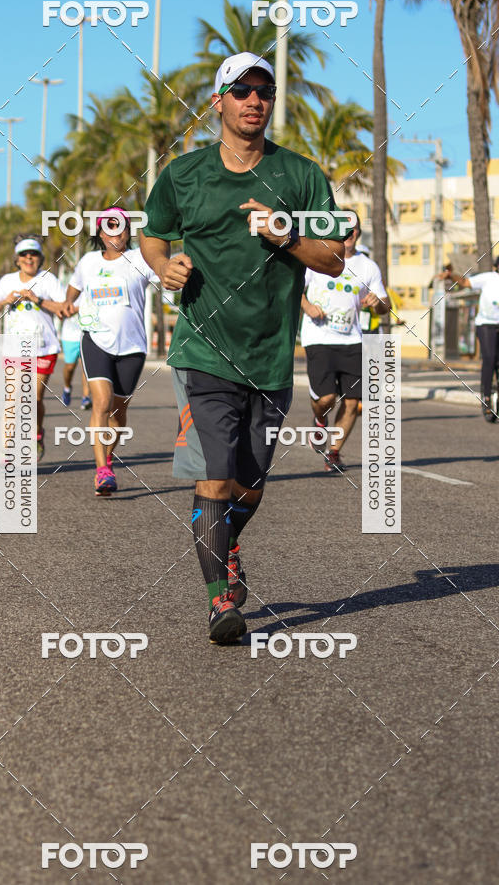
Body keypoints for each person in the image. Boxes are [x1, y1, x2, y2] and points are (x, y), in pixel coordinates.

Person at [140, 52, 348, 644]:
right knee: (213, 475)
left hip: (271, 354)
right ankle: (219, 600)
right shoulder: (184, 175)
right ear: (217, 102)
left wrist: (285, 235)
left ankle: (225, 545)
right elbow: (153, 236)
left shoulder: (301, 176)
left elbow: (333, 260)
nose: (254, 100)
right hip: (203, 351)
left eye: (264, 90)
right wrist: (164, 267)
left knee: (249, 485)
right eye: (242, 91)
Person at [65, 208, 158, 495]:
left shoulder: (140, 259)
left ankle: (107, 456)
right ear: (100, 234)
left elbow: (165, 275)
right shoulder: (88, 262)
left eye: (120, 227)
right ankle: (102, 470)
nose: (114, 233)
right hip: (95, 340)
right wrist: (68, 304)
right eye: (108, 228)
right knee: (101, 403)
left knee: (118, 412)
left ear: (128, 231)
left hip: (133, 346)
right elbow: (73, 289)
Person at [301, 212, 390, 473]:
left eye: (354, 231)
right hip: (318, 337)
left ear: (358, 235)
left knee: (352, 402)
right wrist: (307, 306)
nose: (349, 235)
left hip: (352, 339)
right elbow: (294, 290)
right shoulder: (316, 257)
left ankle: (334, 453)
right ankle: (319, 418)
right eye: (344, 229)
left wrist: (378, 303)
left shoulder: (368, 267)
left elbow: (385, 305)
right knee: (327, 398)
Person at [0, 237, 67, 459]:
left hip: (44, 346)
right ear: (17, 259)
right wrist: (5, 300)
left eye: (33, 254)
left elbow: (63, 308)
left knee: (33, 398)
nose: (29, 258)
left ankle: (37, 432)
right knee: (12, 399)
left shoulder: (48, 279)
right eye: (24, 254)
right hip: (15, 346)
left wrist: (37, 299)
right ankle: (5, 451)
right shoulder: (7, 280)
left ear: (40, 258)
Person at [444, 258, 499, 421]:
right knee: (489, 359)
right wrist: (451, 275)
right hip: (486, 325)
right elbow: (465, 282)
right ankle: (487, 397)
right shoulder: (488, 278)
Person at [59, 295, 91, 409]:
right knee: (70, 367)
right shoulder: (67, 293)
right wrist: (80, 308)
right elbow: (63, 312)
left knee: (86, 367)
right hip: (70, 335)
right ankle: (67, 388)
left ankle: (86, 397)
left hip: (88, 333)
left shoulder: (91, 289)